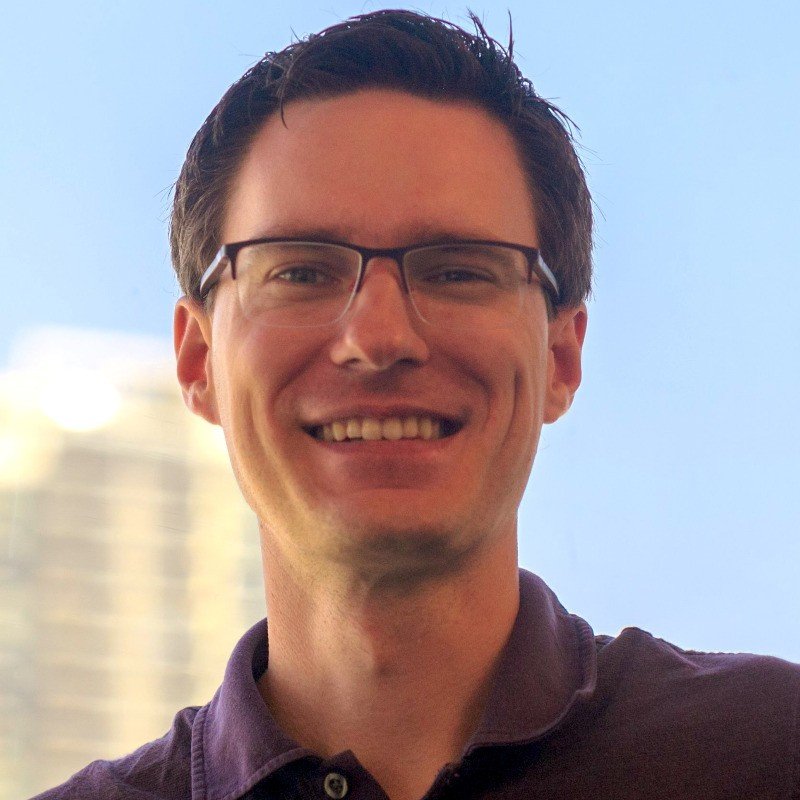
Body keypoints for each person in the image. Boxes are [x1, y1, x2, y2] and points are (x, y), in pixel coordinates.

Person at [35, 10, 799, 800]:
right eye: (300, 271)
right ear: (197, 360)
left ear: (561, 356)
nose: (379, 335)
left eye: (459, 270)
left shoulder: (771, 754)